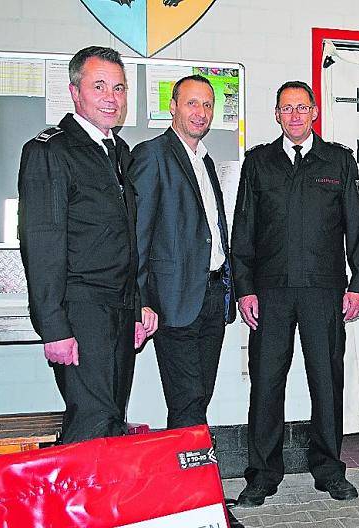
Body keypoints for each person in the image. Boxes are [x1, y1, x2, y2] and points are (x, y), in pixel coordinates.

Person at [231, 81, 359, 506]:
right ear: (277, 114)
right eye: (286, 108)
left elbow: (356, 225)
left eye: (301, 107)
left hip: (322, 290)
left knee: (326, 382)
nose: (294, 115)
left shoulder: (339, 161)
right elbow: (243, 229)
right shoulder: (259, 162)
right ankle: (262, 476)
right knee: (266, 383)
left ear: (314, 112)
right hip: (270, 292)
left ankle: (329, 470)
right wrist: (244, 288)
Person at [18, 46, 156, 444]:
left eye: (119, 88)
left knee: (112, 420)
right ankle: (82, 488)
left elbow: (127, 241)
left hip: (119, 309)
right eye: (99, 86)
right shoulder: (50, 151)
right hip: (81, 312)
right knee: (91, 426)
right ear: (75, 91)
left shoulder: (118, 152)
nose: (111, 97)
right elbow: (41, 245)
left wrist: (137, 305)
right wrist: (53, 328)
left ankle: (103, 488)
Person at [129, 75, 236, 429]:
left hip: (213, 296)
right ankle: (191, 464)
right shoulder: (152, 155)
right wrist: (141, 300)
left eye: (207, 105)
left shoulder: (205, 160)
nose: (200, 112)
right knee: (186, 400)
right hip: (174, 301)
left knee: (199, 397)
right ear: (172, 107)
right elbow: (138, 235)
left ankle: (188, 460)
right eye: (192, 103)